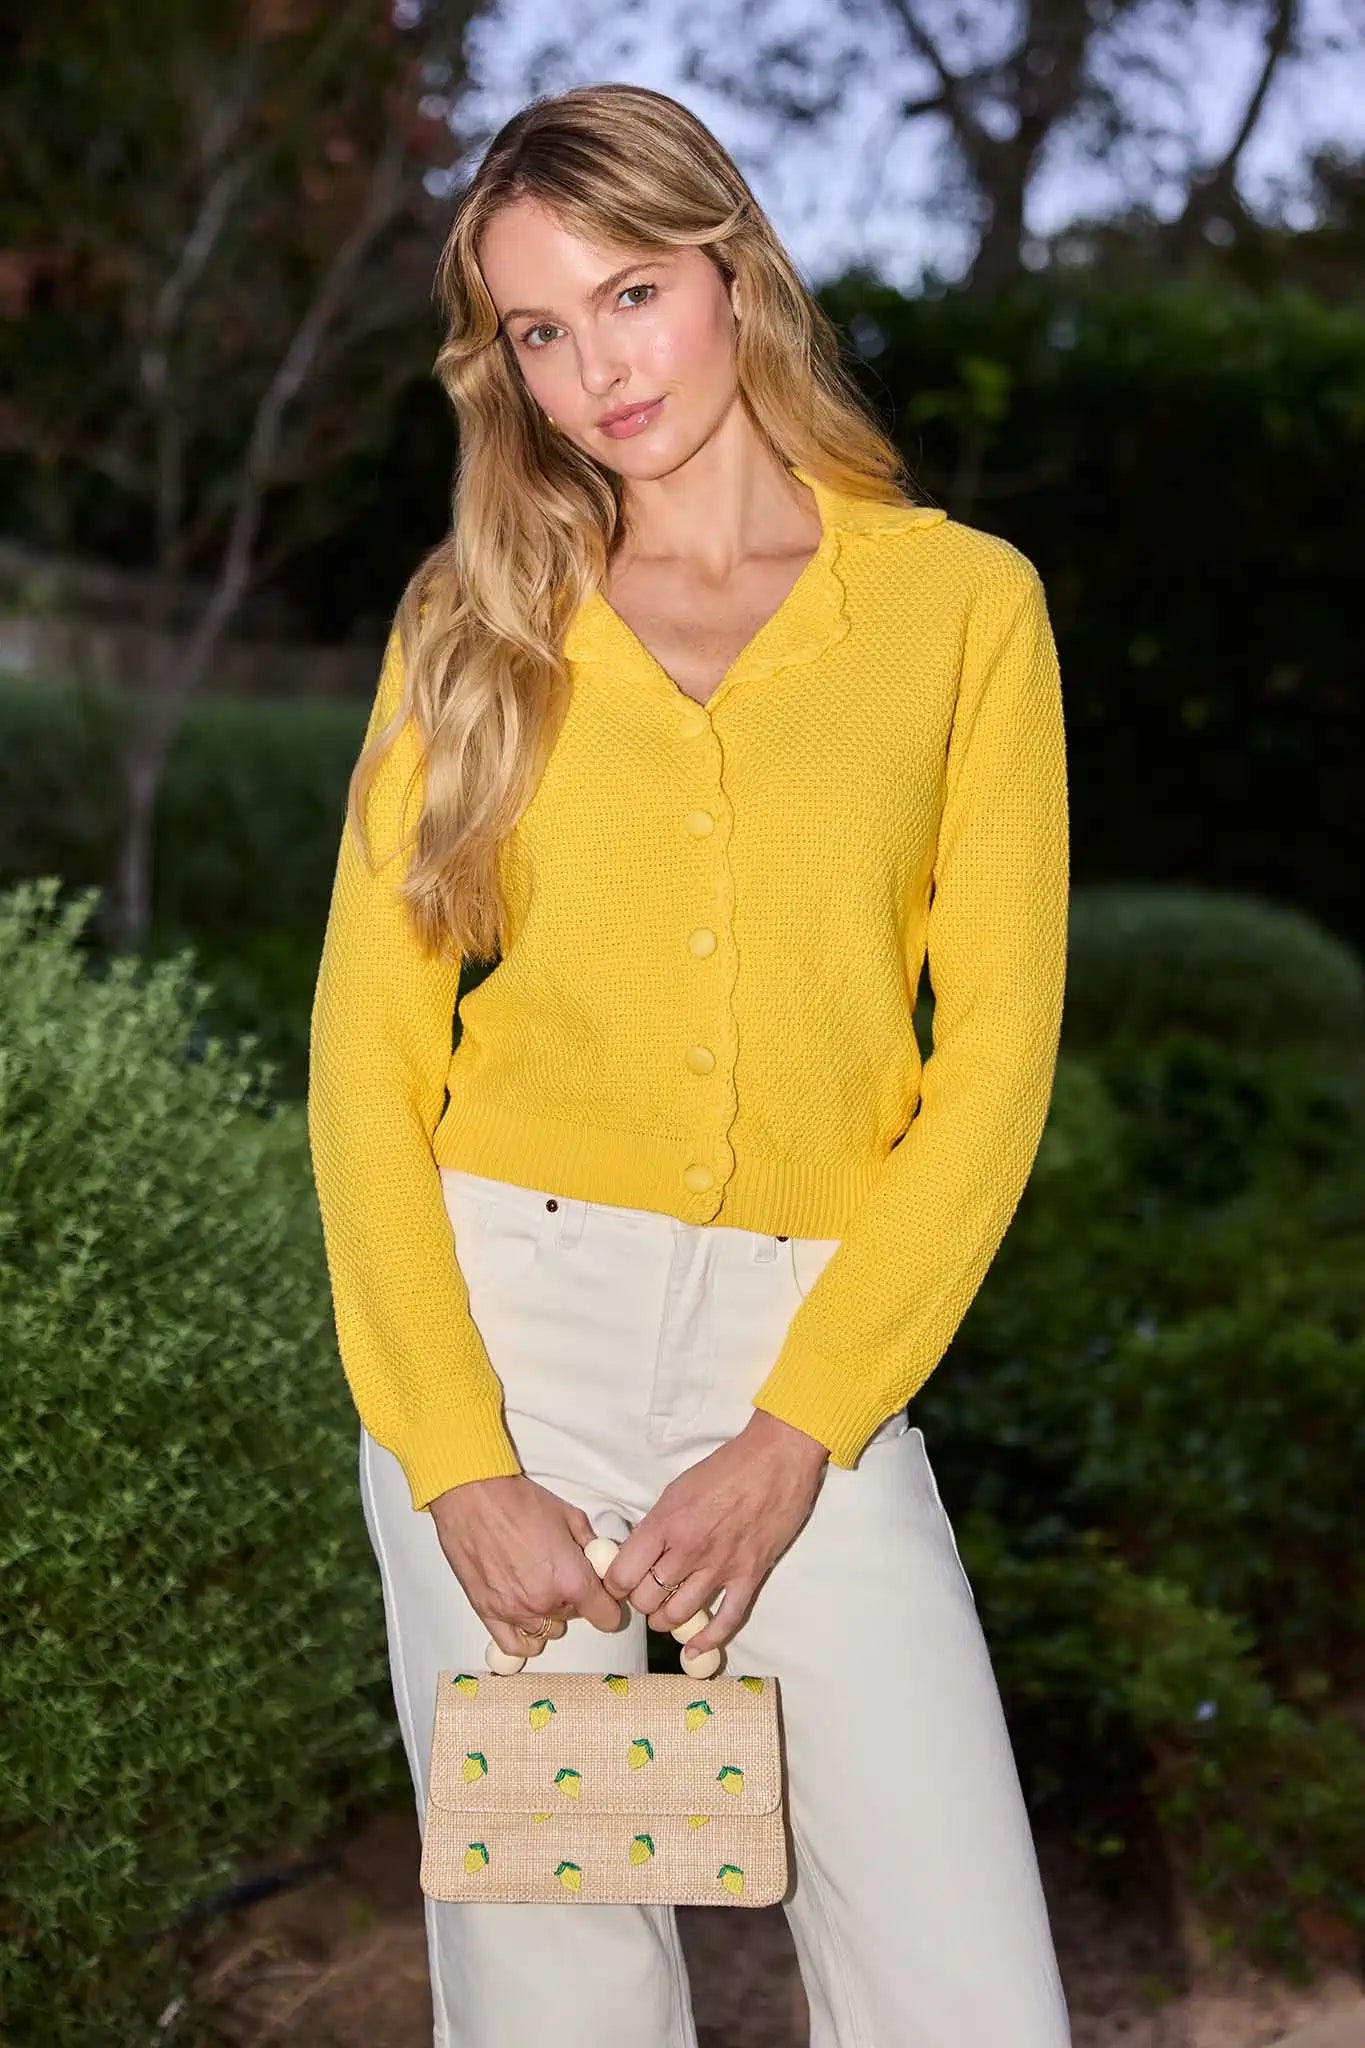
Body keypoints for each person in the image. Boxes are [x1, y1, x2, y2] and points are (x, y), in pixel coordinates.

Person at [307, 79, 1072, 2048]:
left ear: (730, 269)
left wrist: (797, 1425)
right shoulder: (478, 621)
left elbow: (988, 1057)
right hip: (510, 1341)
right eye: (539, 333)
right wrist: (449, 1455)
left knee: (960, 1994)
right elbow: (364, 1062)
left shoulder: (960, 610)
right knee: (557, 1988)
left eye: (628, 296)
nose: (591, 370)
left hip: (802, 1361)